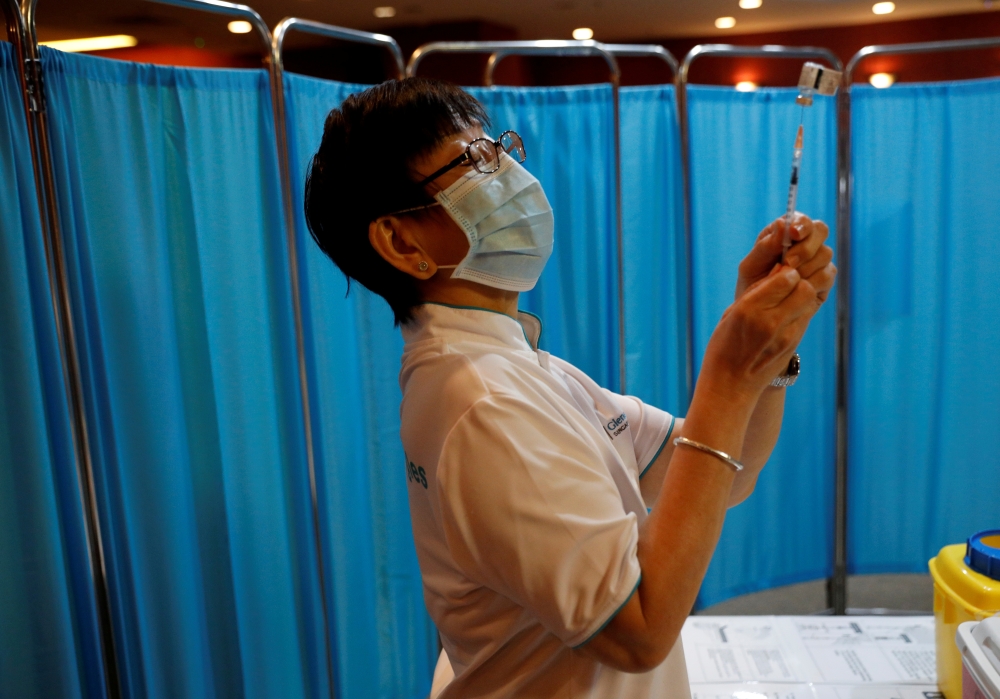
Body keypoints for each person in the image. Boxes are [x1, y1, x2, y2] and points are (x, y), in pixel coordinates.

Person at [304, 77, 836, 699]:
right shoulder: (487, 404)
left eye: (498, 147)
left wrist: (770, 355)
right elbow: (638, 632)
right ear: (401, 241)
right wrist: (727, 376)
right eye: (473, 160)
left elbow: (727, 472)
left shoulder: (519, 368)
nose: (506, 171)